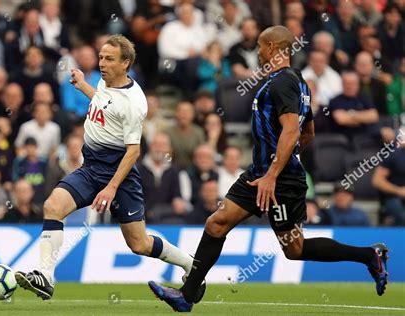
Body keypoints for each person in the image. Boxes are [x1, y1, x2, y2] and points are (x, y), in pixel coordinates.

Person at [149, 26, 389, 312]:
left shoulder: (283, 82)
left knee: (294, 249)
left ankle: (369, 256)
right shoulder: (296, 81)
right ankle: (187, 296)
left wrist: (275, 173)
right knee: (216, 223)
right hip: (260, 173)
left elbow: (292, 131)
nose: (259, 52)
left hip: (278, 179)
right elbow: (308, 131)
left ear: (274, 48)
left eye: (262, 47)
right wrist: (275, 165)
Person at [15, 35, 205, 302]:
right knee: (52, 206)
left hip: (119, 175)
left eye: (109, 59)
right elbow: (104, 105)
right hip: (91, 167)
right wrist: (83, 86)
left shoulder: (134, 102)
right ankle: (46, 276)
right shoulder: (105, 83)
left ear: (125, 63)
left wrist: (111, 188)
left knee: (139, 244)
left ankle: (189, 264)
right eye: (101, 57)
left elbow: (134, 150)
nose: (102, 63)